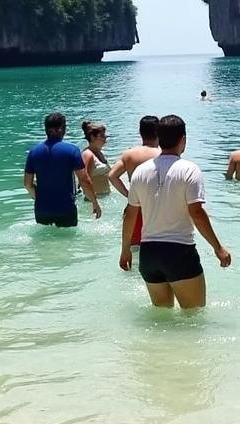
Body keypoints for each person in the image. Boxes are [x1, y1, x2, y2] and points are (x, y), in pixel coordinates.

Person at [120, 114, 231, 309]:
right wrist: (218, 247)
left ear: (159, 139)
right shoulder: (189, 170)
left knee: (162, 318)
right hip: (179, 252)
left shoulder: (140, 172)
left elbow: (130, 214)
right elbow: (196, 212)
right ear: (183, 140)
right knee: (194, 316)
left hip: (149, 254)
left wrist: (125, 250)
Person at [24, 111, 101, 227]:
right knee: (69, 242)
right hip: (66, 209)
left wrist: (38, 198)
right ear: (61, 129)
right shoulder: (72, 150)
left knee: (43, 243)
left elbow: (27, 184)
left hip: (42, 210)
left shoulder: (33, 152)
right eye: (64, 127)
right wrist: (95, 202)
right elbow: (84, 180)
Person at [110, 115, 161, 247]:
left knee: (132, 252)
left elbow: (112, 176)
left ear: (140, 132)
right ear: (159, 132)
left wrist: (129, 194)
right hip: (156, 210)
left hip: (134, 209)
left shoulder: (129, 154)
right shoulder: (162, 155)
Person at [81, 120, 112, 196]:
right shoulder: (88, 154)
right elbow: (84, 179)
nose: (105, 138)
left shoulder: (100, 153)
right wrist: (95, 203)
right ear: (92, 137)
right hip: (94, 201)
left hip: (105, 198)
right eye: (102, 136)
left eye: (105, 136)